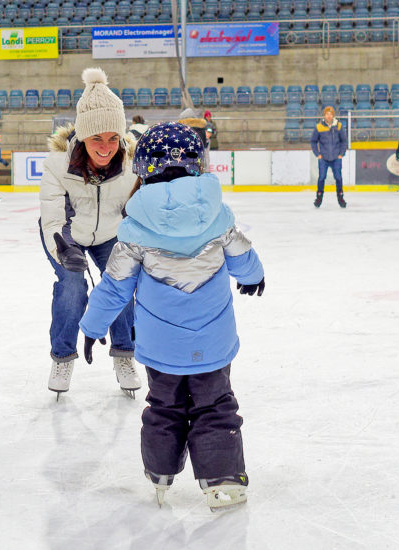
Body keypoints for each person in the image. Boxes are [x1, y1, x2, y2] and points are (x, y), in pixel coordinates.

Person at [78, 121, 265, 512]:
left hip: (161, 346)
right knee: (215, 406)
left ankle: (160, 475)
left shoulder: (134, 225)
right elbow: (242, 255)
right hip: (212, 342)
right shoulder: (218, 213)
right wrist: (253, 276)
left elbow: (114, 286)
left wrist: (93, 327)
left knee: (164, 407)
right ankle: (223, 481)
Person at [38, 67, 139, 399]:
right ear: (82, 136)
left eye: (113, 138)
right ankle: (63, 356)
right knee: (71, 286)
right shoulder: (57, 166)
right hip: (66, 235)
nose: (106, 146)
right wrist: (64, 249)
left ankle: (124, 354)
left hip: (109, 234)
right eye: (97, 138)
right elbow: (53, 220)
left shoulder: (129, 165)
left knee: (120, 281)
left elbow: (139, 207)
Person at [310, 105, 348, 208]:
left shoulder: (339, 126)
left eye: (331, 114)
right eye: (327, 114)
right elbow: (313, 142)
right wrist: (318, 155)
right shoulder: (319, 127)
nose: (329, 116)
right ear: (324, 115)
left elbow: (344, 141)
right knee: (322, 178)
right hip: (324, 158)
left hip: (336, 158)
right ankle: (319, 198)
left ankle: (340, 198)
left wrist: (341, 154)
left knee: (338, 178)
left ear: (333, 115)